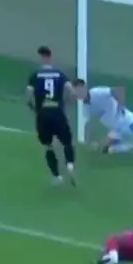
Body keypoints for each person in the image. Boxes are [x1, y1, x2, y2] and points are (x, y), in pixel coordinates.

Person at [26, 46, 76, 185]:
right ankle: (70, 165)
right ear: (50, 58)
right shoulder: (60, 74)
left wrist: (33, 108)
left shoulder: (35, 75)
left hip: (43, 113)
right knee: (67, 142)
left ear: (42, 58)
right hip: (57, 112)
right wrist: (66, 103)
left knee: (48, 146)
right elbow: (71, 91)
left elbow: (29, 95)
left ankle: (57, 176)